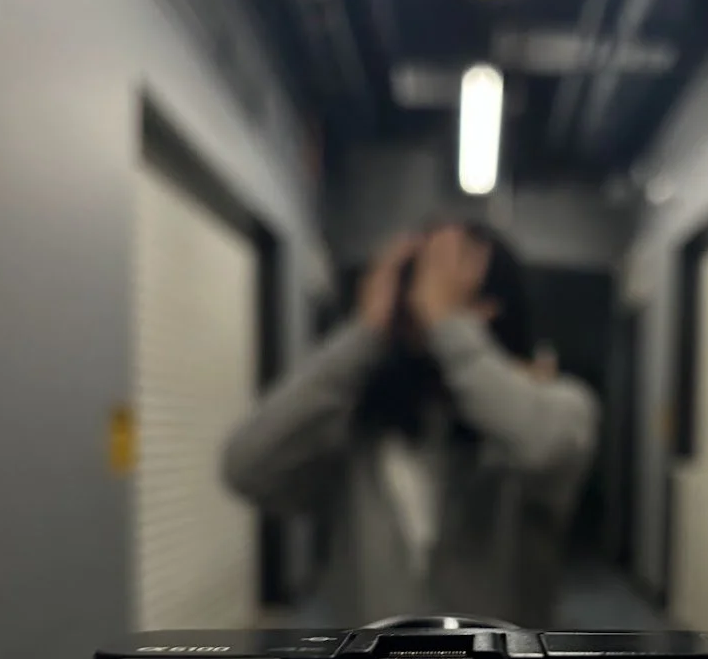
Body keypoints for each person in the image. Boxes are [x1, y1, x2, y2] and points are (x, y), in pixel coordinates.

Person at [221, 222, 600, 627]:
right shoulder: (357, 429)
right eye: (419, 282)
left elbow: (545, 446)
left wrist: (448, 327)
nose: (426, 302)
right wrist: (364, 332)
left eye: (452, 287)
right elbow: (246, 465)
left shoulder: (554, 405)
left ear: (495, 306)